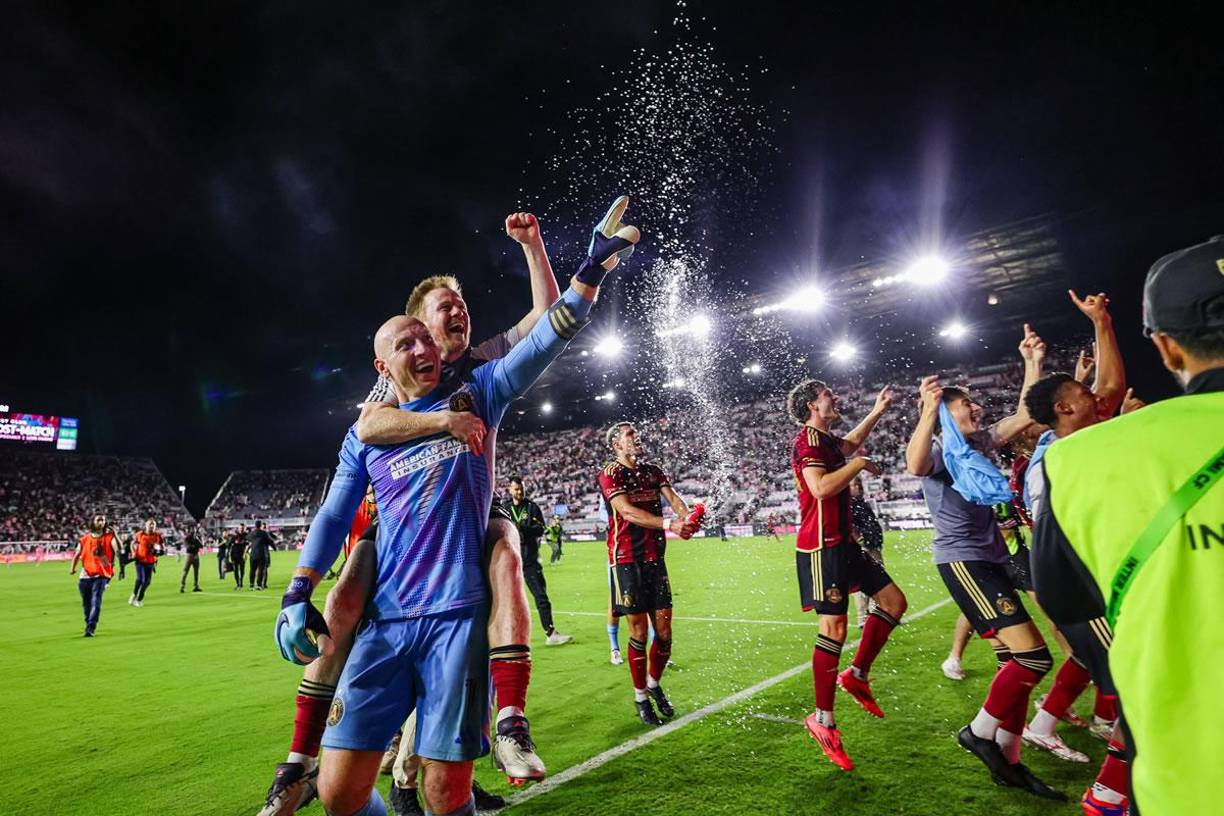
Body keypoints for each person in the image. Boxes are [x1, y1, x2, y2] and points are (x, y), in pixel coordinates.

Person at [270, 200, 636, 816]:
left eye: (428, 338)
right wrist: (296, 588)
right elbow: (335, 512)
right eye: (409, 338)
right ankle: (301, 761)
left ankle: (510, 720)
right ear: (384, 364)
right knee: (340, 796)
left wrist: (590, 267)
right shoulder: (369, 427)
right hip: (388, 617)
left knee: (446, 791)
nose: (425, 345)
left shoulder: (482, 384)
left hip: (455, 618)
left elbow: (552, 327)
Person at [1033, 236, 1224, 816]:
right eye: (1083, 393)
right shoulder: (1063, 450)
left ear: (1166, 348)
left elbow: (1063, 595)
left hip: (1187, 784)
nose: (1098, 396)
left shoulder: (1085, 462)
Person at [905, 326, 1063, 799]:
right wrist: (930, 411)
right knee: (1034, 657)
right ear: (944, 414)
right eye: (965, 405)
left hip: (993, 558)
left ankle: (1010, 760)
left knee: (1020, 660)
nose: (976, 408)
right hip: (964, 563)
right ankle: (978, 733)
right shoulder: (939, 453)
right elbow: (913, 465)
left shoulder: (982, 444)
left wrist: (1032, 361)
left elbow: (1025, 415)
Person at [787, 380, 907, 771]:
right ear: (812, 405)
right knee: (834, 629)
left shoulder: (824, 441)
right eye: (827, 395)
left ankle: (856, 675)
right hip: (821, 547)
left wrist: (877, 411)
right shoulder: (806, 441)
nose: (834, 398)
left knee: (893, 602)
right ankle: (823, 720)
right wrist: (857, 465)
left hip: (844, 543)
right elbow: (820, 488)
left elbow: (848, 445)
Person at [598, 421, 698, 726]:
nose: (636, 437)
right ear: (616, 443)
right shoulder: (610, 472)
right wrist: (670, 525)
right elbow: (626, 512)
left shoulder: (652, 469)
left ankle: (654, 685)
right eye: (629, 434)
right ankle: (640, 696)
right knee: (639, 632)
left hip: (656, 559)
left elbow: (674, 498)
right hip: (626, 560)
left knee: (665, 634)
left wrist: (687, 516)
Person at [505, 477, 571, 646]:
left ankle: (550, 633)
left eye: (521, 488)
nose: (519, 492)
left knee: (541, 596)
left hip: (529, 560)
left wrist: (523, 529)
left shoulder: (532, 507)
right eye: (516, 489)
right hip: (509, 561)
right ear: (509, 490)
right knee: (506, 600)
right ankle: (507, 637)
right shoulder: (505, 508)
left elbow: (541, 528)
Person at [70, 514, 117, 637]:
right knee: (86, 604)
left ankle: (91, 627)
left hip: (100, 576)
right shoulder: (84, 539)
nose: (101, 522)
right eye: (98, 520)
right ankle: (88, 623)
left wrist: (115, 535)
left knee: (96, 601)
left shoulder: (109, 537)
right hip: (85, 576)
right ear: (93, 522)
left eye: (103, 520)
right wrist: (72, 568)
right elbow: (77, 554)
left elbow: (118, 550)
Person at [849, 477, 884, 629]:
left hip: (873, 546)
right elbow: (850, 526)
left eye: (859, 484)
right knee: (864, 584)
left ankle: (877, 615)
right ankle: (863, 618)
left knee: (879, 581)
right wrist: (861, 542)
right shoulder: (849, 505)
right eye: (854, 485)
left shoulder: (861, 503)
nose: (858, 487)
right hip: (864, 548)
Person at [130, 518, 163, 607]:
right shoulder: (139, 534)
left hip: (150, 562)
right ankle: (134, 594)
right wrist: (133, 552)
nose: (152, 526)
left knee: (147, 582)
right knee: (140, 579)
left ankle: (139, 599)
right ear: (146, 525)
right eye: (150, 524)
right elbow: (132, 543)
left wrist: (159, 551)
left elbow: (161, 546)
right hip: (140, 560)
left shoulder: (157, 535)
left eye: (153, 524)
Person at [248, 520, 275, 590]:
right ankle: (259, 585)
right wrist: (274, 548)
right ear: (260, 525)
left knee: (252, 569)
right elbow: (270, 541)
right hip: (261, 554)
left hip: (253, 554)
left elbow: (247, 539)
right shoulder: (264, 533)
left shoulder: (252, 533)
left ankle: (251, 584)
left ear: (255, 525)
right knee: (261, 569)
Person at [180, 526, 204, 592]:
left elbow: (201, 546)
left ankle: (195, 585)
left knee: (195, 571)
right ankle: (182, 585)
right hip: (190, 555)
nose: (194, 531)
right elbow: (188, 547)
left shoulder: (196, 538)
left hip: (195, 555)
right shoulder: (187, 538)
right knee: (186, 571)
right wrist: (196, 546)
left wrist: (198, 540)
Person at [230, 524, 248, 590]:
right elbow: (230, 545)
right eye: (240, 528)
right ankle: (238, 583)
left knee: (242, 570)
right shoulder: (234, 536)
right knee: (235, 571)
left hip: (242, 555)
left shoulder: (246, 536)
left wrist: (245, 553)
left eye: (243, 528)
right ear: (238, 528)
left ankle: (241, 581)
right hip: (234, 555)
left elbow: (248, 545)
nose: (241, 529)